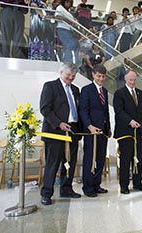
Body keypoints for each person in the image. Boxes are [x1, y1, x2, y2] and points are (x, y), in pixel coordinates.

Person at [39, 62, 82, 205]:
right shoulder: (50, 86)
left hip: (72, 131)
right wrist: (59, 123)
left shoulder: (76, 90)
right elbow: (45, 109)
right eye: (68, 75)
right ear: (61, 72)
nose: (70, 78)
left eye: (73, 76)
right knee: (52, 164)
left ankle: (66, 189)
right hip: (55, 132)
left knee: (69, 162)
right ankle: (46, 193)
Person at [113, 70, 142, 194]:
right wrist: (130, 121)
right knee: (126, 158)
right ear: (125, 80)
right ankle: (124, 185)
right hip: (125, 132)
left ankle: (138, 183)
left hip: (138, 132)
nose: (133, 82)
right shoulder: (119, 93)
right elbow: (119, 111)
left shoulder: (140, 93)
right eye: (130, 80)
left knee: (138, 158)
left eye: (134, 80)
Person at [79, 64, 111, 197]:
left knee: (100, 158)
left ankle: (97, 184)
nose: (101, 79)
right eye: (99, 76)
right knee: (89, 159)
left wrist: (108, 128)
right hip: (91, 131)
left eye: (103, 76)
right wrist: (89, 126)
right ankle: (88, 187)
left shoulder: (104, 91)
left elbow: (106, 112)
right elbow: (83, 110)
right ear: (93, 74)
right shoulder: (86, 90)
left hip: (103, 131)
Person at [55, 0, 80, 68]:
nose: (69, 4)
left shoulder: (68, 12)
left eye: (70, 2)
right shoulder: (60, 7)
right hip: (62, 29)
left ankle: (75, 63)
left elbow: (72, 21)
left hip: (68, 30)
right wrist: (71, 22)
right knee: (71, 45)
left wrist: (73, 21)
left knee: (76, 44)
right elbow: (58, 17)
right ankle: (68, 63)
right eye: (67, 2)